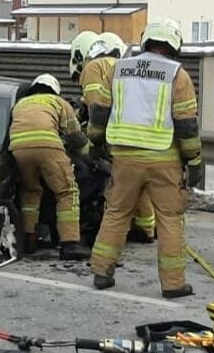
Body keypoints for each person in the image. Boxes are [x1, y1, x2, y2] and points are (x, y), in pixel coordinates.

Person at [87, 18, 203, 299]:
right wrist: (194, 160)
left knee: (116, 213)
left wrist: (95, 142)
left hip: (124, 158)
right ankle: (173, 284)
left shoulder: (118, 69)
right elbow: (186, 124)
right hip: (164, 159)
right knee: (169, 220)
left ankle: (102, 272)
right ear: (174, 45)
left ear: (146, 40)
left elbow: (99, 111)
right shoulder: (178, 75)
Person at [79, 32, 156, 243]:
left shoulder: (93, 68)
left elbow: (97, 105)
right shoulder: (126, 66)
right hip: (141, 131)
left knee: (117, 182)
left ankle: (113, 231)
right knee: (139, 181)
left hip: (116, 134)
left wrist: (94, 138)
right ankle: (146, 228)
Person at [7, 74, 91, 260]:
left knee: (30, 192)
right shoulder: (58, 102)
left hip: (18, 149)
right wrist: (89, 154)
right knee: (67, 192)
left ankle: (29, 239)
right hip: (48, 146)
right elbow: (75, 136)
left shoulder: (21, 104)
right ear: (55, 89)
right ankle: (70, 244)